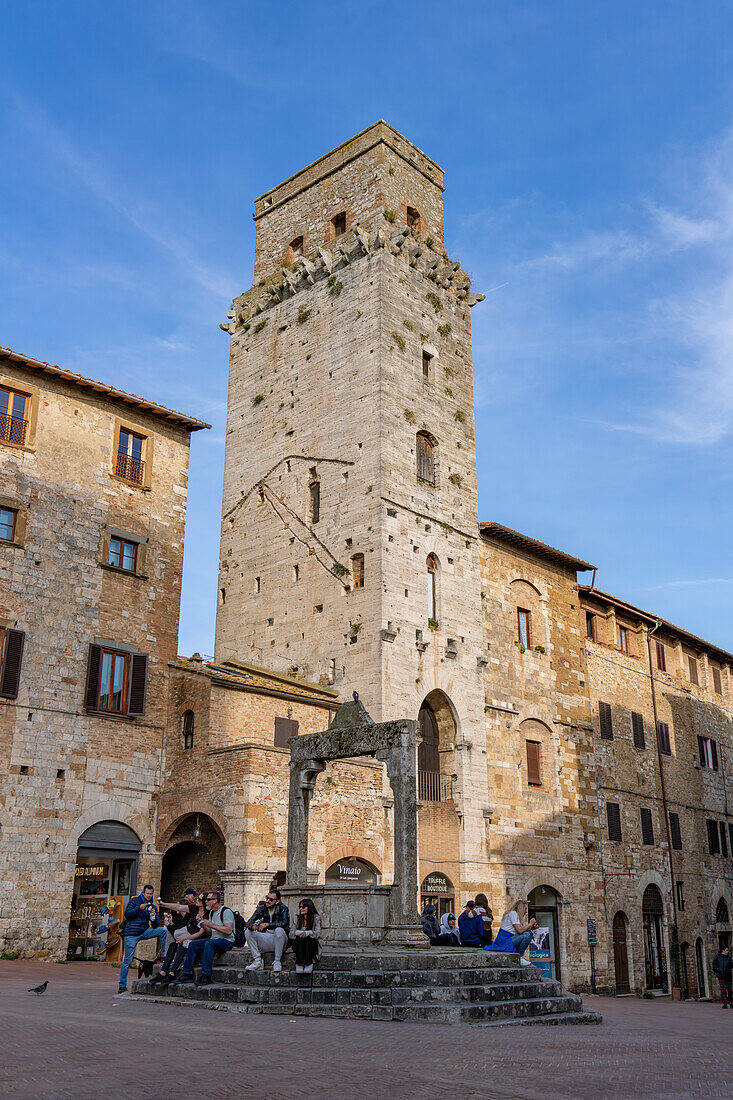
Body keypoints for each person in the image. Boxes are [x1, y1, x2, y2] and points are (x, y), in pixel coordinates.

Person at [170, 891, 235, 987]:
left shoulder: (226, 912)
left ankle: (206, 975)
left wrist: (212, 925)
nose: (206, 902)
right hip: (214, 939)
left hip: (226, 941)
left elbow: (229, 931)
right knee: (193, 944)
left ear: (215, 900)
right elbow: (209, 932)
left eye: (208, 900)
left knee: (209, 944)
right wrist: (202, 924)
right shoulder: (212, 912)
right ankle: (187, 974)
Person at [117, 885, 168, 993]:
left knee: (163, 931)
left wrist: (153, 917)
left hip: (144, 931)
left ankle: (163, 957)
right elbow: (127, 914)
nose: (149, 896)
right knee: (127, 960)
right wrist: (139, 908)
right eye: (147, 893)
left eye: (151, 894)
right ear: (143, 893)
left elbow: (155, 925)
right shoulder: (135, 901)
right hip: (131, 934)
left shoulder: (152, 906)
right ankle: (122, 986)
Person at [150, 888, 200, 984]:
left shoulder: (198, 913)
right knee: (173, 944)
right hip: (186, 936)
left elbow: (198, 932)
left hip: (193, 938)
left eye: (198, 900)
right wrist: (163, 904)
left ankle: (172, 973)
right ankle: (163, 972)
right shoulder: (190, 912)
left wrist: (170, 926)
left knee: (180, 943)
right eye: (195, 897)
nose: (195, 899)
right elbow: (178, 910)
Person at [245, 887, 290, 972]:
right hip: (266, 939)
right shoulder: (261, 908)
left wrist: (268, 925)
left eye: (271, 899)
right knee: (248, 932)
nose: (267, 901)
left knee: (279, 930)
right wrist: (253, 926)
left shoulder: (283, 908)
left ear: (277, 901)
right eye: (267, 898)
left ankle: (277, 961)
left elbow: (284, 923)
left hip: (280, 941)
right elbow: (248, 922)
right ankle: (257, 960)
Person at [485, 899, 538, 966]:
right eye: (525, 909)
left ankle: (519, 957)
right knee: (527, 935)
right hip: (505, 941)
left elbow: (520, 931)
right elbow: (520, 930)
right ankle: (519, 957)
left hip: (508, 939)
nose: (526, 912)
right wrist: (530, 924)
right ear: (521, 908)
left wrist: (532, 927)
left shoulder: (514, 914)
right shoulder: (513, 913)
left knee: (528, 934)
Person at [289, 898, 321, 973]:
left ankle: (308, 963)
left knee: (307, 938)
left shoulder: (316, 918)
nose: (301, 909)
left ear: (309, 908)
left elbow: (317, 933)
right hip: (298, 943)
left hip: (311, 944)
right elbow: (291, 933)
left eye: (303, 907)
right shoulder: (297, 918)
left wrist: (308, 933)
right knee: (301, 938)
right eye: (300, 907)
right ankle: (299, 963)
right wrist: (299, 933)